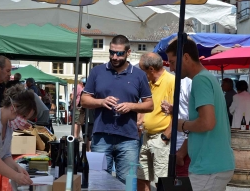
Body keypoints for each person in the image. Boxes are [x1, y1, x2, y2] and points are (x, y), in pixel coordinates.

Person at [81, 35, 153, 184]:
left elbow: (149, 104)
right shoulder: (97, 72)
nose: (114, 57)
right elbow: (84, 100)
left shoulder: (139, 75)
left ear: (128, 52)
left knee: (126, 183)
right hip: (101, 136)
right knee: (98, 182)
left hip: (128, 138)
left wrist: (131, 106)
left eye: (119, 53)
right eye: (111, 52)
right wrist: (101, 102)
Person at [166, 38, 235, 191]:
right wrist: (183, 152)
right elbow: (203, 124)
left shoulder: (200, 80)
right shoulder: (206, 78)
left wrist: (181, 124)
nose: (171, 68)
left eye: (172, 62)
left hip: (208, 167)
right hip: (212, 164)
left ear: (185, 57)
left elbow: (207, 123)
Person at [136, 52, 175, 190]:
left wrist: (165, 137)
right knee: (142, 177)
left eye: (142, 70)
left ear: (151, 69)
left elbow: (178, 113)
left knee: (162, 181)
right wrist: (140, 121)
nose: (141, 74)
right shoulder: (150, 83)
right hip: (147, 136)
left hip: (161, 137)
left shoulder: (171, 81)